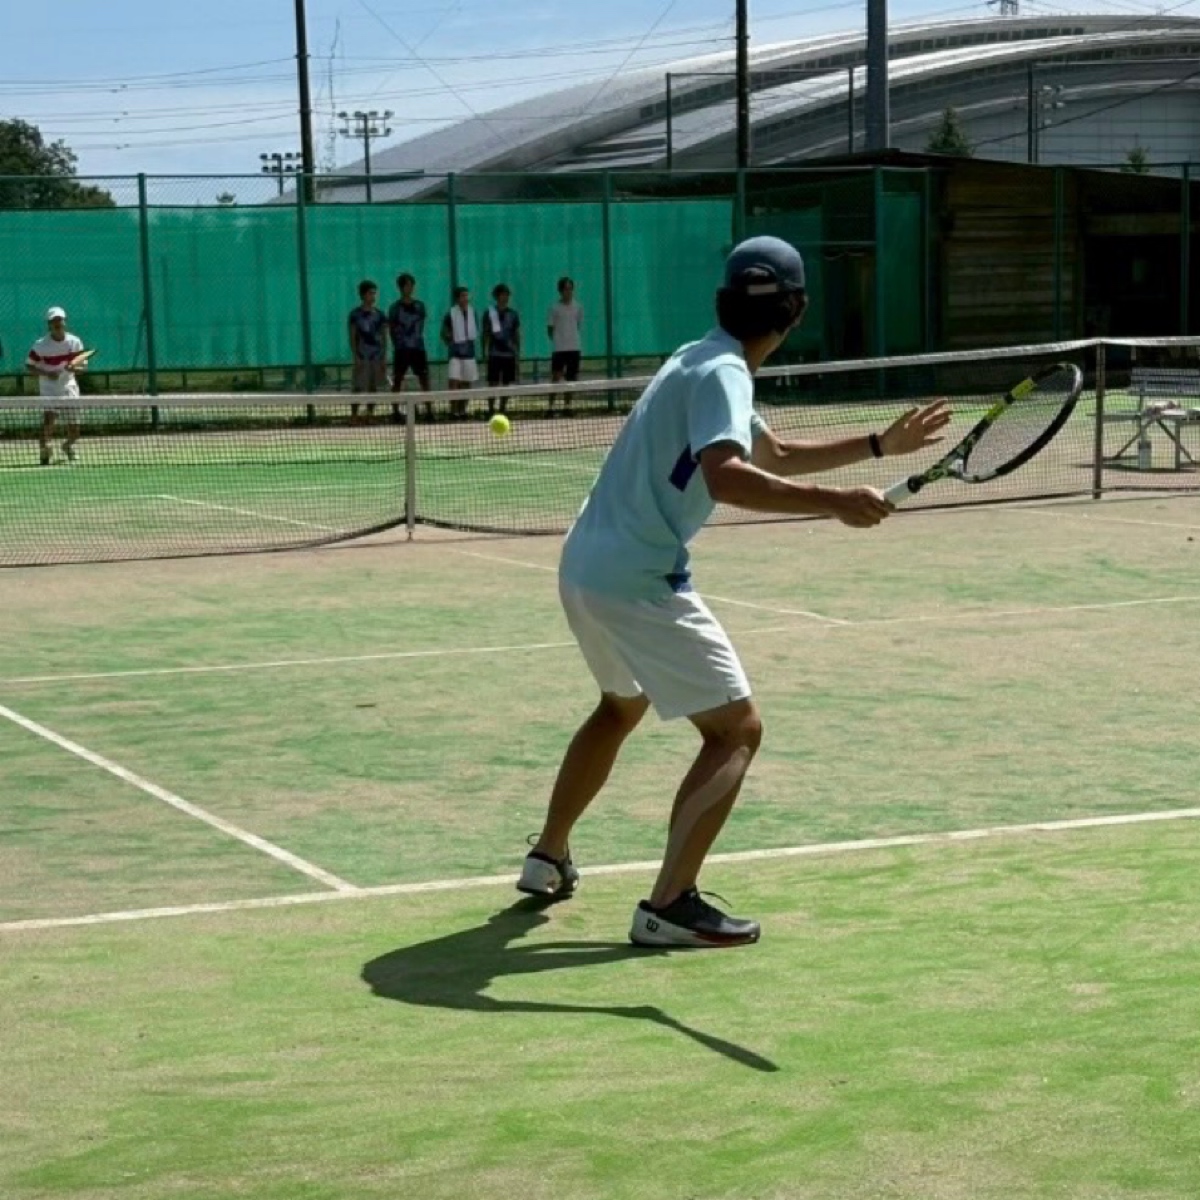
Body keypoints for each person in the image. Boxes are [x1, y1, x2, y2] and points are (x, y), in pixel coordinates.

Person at [516, 236, 951, 949]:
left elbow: (770, 455)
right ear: (797, 311)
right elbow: (727, 475)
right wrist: (834, 502)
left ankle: (547, 857)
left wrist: (878, 445)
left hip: (583, 566)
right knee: (737, 730)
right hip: (636, 579)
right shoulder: (722, 374)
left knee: (620, 705)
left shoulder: (698, 358)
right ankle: (669, 904)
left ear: (724, 300)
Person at [26, 306, 86, 466]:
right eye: (54, 321)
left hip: (69, 386)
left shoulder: (75, 342)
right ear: (49, 324)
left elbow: (82, 367)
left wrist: (75, 368)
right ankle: (45, 451)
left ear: (65, 322)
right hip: (49, 387)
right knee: (48, 421)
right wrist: (46, 374)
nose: (57, 323)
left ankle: (68, 446)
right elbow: (29, 366)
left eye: (60, 320)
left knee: (75, 430)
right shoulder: (40, 345)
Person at [388, 273, 432, 422]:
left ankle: (429, 411)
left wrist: (416, 341)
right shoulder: (394, 308)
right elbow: (391, 329)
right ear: (401, 287)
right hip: (401, 350)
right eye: (407, 285)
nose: (410, 288)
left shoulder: (420, 306)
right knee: (398, 380)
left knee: (424, 379)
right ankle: (395, 412)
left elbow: (421, 325)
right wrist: (398, 345)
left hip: (418, 349)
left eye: (412, 285)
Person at [348, 279, 388, 423]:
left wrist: (383, 357)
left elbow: (384, 337)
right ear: (363, 295)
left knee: (373, 387)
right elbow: (352, 337)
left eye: (375, 293)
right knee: (358, 387)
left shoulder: (380, 315)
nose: (374, 296)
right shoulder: (355, 315)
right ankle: (354, 415)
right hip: (362, 356)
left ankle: (370, 415)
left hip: (376, 356)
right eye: (371, 293)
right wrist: (356, 357)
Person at [483, 283, 521, 417]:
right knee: (492, 382)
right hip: (494, 354)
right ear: (497, 296)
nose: (505, 297)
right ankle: (491, 409)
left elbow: (516, 334)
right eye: (502, 294)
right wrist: (485, 352)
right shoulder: (489, 313)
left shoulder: (513, 314)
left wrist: (517, 353)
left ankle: (502, 409)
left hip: (509, 354)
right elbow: (486, 333)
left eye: (507, 294)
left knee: (506, 383)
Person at [441, 285, 478, 420]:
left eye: (467, 295)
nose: (466, 298)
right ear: (457, 298)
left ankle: (463, 411)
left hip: (469, 354)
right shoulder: (450, 313)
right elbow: (444, 333)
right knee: (454, 383)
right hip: (455, 354)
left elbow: (474, 333)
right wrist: (450, 340)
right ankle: (453, 411)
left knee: (467, 383)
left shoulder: (473, 312)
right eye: (463, 295)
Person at [547, 276, 583, 415]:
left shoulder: (578, 307)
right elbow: (550, 329)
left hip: (574, 348)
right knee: (556, 378)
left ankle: (567, 407)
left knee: (571, 379)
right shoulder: (554, 308)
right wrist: (558, 341)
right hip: (559, 349)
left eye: (570, 289)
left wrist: (571, 339)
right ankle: (550, 408)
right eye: (565, 289)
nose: (568, 292)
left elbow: (578, 325)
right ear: (560, 291)